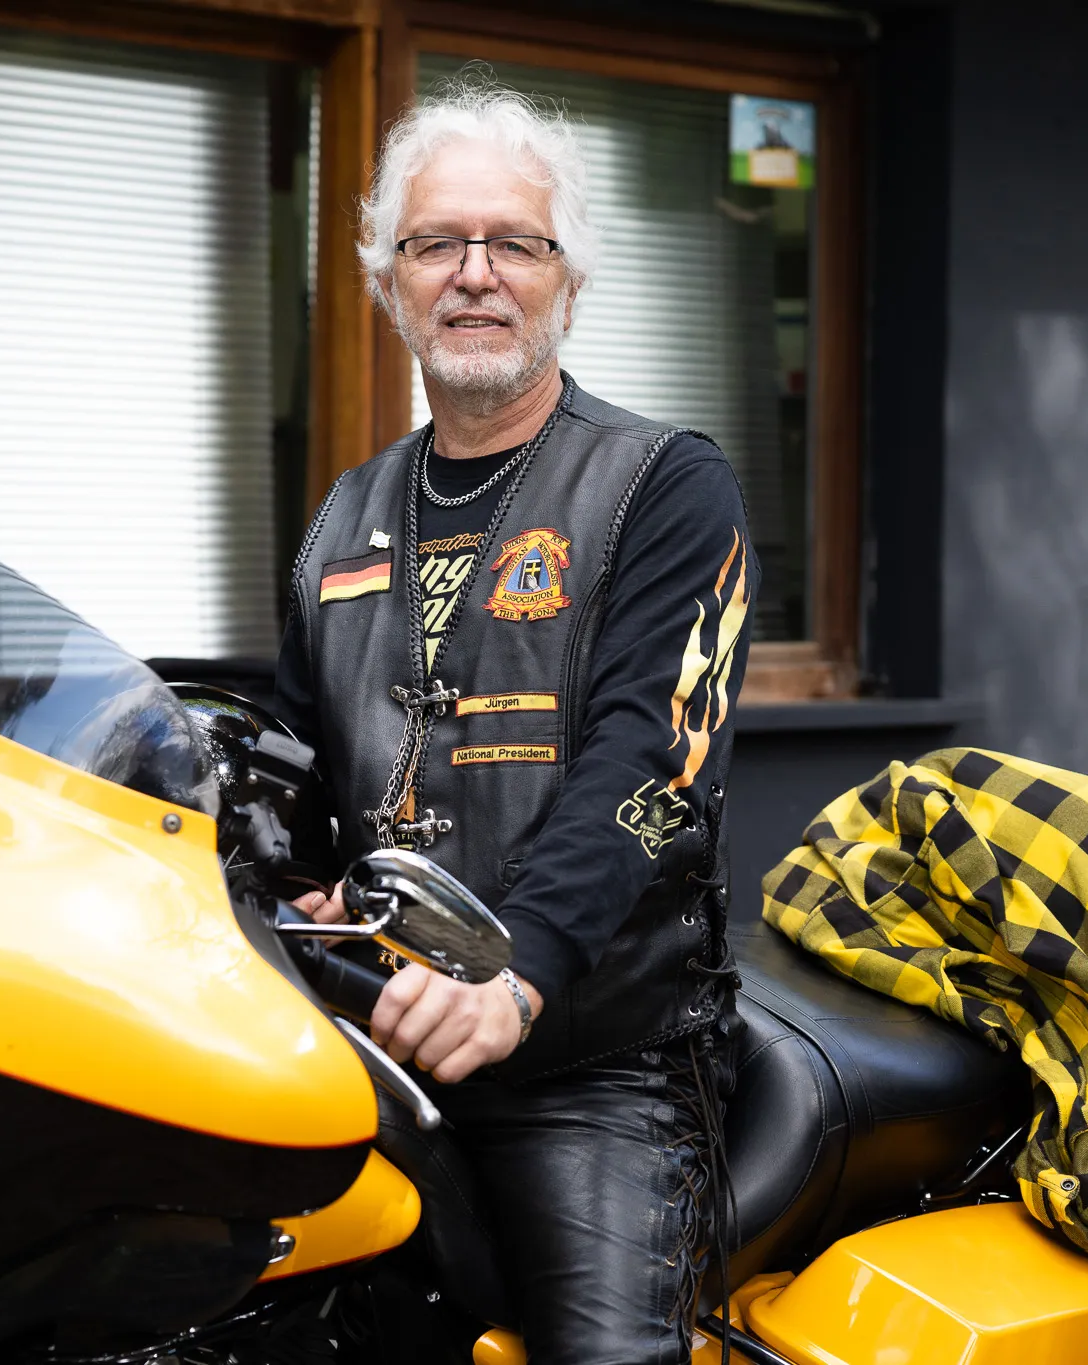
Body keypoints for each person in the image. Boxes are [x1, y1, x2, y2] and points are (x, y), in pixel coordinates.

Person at [274, 77, 757, 1364]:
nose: (474, 274)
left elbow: (652, 765)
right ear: (389, 283)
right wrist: (298, 874)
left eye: (514, 244)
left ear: (567, 279)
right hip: (377, 1038)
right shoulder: (342, 518)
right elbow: (292, 757)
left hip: (590, 1059)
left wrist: (517, 974)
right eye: (436, 244)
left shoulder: (662, 484)